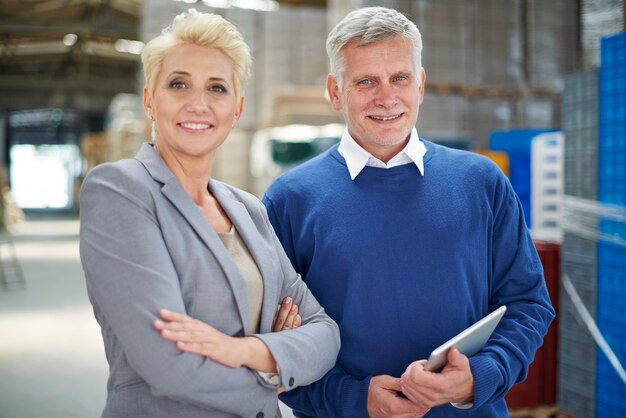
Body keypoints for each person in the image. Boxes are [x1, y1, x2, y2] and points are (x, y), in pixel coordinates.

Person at [261, 6, 556, 418]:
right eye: (365, 81)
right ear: (334, 91)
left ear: (419, 85)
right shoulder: (289, 199)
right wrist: (354, 399)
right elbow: (273, 346)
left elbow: (528, 304)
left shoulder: (482, 182)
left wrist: (479, 375)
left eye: (399, 77)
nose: (387, 97)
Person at [79, 9, 339, 418]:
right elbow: (169, 366)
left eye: (216, 88)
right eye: (178, 84)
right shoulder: (121, 190)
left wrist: (244, 350)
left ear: (237, 109)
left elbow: (324, 332)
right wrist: (274, 366)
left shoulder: (249, 210)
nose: (198, 104)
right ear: (150, 99)